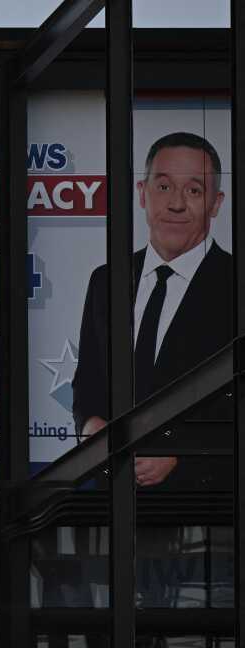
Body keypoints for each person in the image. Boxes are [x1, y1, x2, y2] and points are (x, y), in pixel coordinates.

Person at [72, 131, 231, 487]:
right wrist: (90, 426)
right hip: (111, 501)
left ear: (216, 203)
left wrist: (180, 452)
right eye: (163, 187)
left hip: (206, 511)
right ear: (142, 194)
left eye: (193, 190)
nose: (176, 203)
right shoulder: (106, 282)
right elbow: (88, 381)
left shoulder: (236, 286)